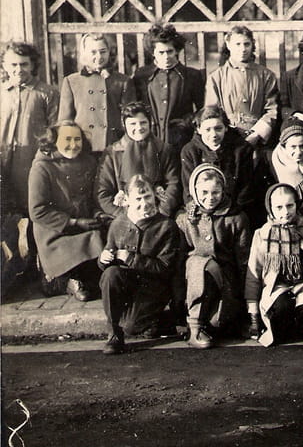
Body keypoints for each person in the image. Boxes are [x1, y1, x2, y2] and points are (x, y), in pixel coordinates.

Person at [98, 174, 181, 354]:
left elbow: (165, 268)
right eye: (138, 199)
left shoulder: (166, 226)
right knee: (110, 274)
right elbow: (109, 257)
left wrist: (131, 259)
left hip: (152, 288)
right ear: (127, 200)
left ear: (155, 195)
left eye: (147, 197)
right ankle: (113, 333)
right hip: (126, 285)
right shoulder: (118, 224)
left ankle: (158, 320)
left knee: (130, 327)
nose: (144, 203)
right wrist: (103, 259)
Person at [245, 183, 303, 346]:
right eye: (279, 207)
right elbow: (254, 274)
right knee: (281, 310)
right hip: (276, 287)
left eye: (289, 206)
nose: (285, 212)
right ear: (270, 208)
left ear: (296, 205)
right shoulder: (262, 234)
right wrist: (254, 315)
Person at [29, 121, 105, 300]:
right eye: (67, 139)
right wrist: (73, 222)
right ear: (54, 141)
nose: (73, 145)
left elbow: (93, 197)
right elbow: (37, 210)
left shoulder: (88, 162)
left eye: (77, 139)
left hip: (85, 225)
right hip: (55, 231)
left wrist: (98, 214)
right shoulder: (42, 167)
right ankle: (64, 281)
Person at [177, 164, 251, 349]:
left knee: (217, 323)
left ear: (223, 191)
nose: (210, 198)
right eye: (204, 192)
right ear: (194, 191)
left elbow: (243, 260)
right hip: (194, 280)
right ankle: (195, 327)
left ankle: (215, 321)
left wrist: (246, 301)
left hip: (224, 280)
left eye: (215, 192)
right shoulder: (185, 218)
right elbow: (179, 259)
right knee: (199, 263)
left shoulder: (236, 217)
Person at [1, 42, 59, 216]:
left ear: (32, 65)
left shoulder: (47, 93)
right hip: (2, 163)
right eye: (13, 64)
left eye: (24, 64)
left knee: (30, 209)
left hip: (31, 163)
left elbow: (55, 129)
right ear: (4, 65)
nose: (18, 69)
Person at [96, 101, 181, 219]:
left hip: (158, 215)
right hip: (125, 216)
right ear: (124, 125)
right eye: (132, 124)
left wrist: (161, 212)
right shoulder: (112, 153)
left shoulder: (164, 149)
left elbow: (173, 185)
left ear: (150, 123)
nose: (139, 128)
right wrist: (125, 216)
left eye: (143, 122)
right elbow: (103, 193)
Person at [132, 23, 205, 153]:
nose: (166, 57)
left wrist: (187, 122)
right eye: (161, 52)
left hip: (181, 140)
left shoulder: (191, 75)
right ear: (153, 52)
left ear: (176, 50)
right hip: (150, 138)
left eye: (169, 51)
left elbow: (202, 109)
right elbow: (136, 106)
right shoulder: (142, 75)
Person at [58, 33, 135, 154]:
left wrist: (123, 144)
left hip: (113, 147)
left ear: (109, 52)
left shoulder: (122, 81)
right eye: (93, 52)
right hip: (83, 147)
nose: (99, 57)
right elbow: (65, 121)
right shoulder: (71, 81)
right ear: (84, 53)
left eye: (103, 51)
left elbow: (130, 118)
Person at [204, 26, 278, 149]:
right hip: (227, 138)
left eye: (246, 44)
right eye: (237, 44)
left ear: (252, 45)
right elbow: (212, 111)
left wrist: (256, 134)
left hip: (257, 138)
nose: (243, 49)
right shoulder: (216, 77)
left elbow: (272, 110)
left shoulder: (266, 75)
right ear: (228, 45)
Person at [180, 105, 255, 216]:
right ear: (199, 129)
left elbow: (245, 190)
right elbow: (188, 190)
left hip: (233, 211)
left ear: (226, 128)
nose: (213, 134)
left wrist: (230, 212)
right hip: (202, 211)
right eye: (207, 130)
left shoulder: (242, 149)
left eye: (218, 128)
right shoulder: (190, 151)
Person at [257, 118, 303, 227]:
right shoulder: (272, 163)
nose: (298, 152)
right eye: (293, 147)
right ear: (284, 146)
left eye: (302, 146)